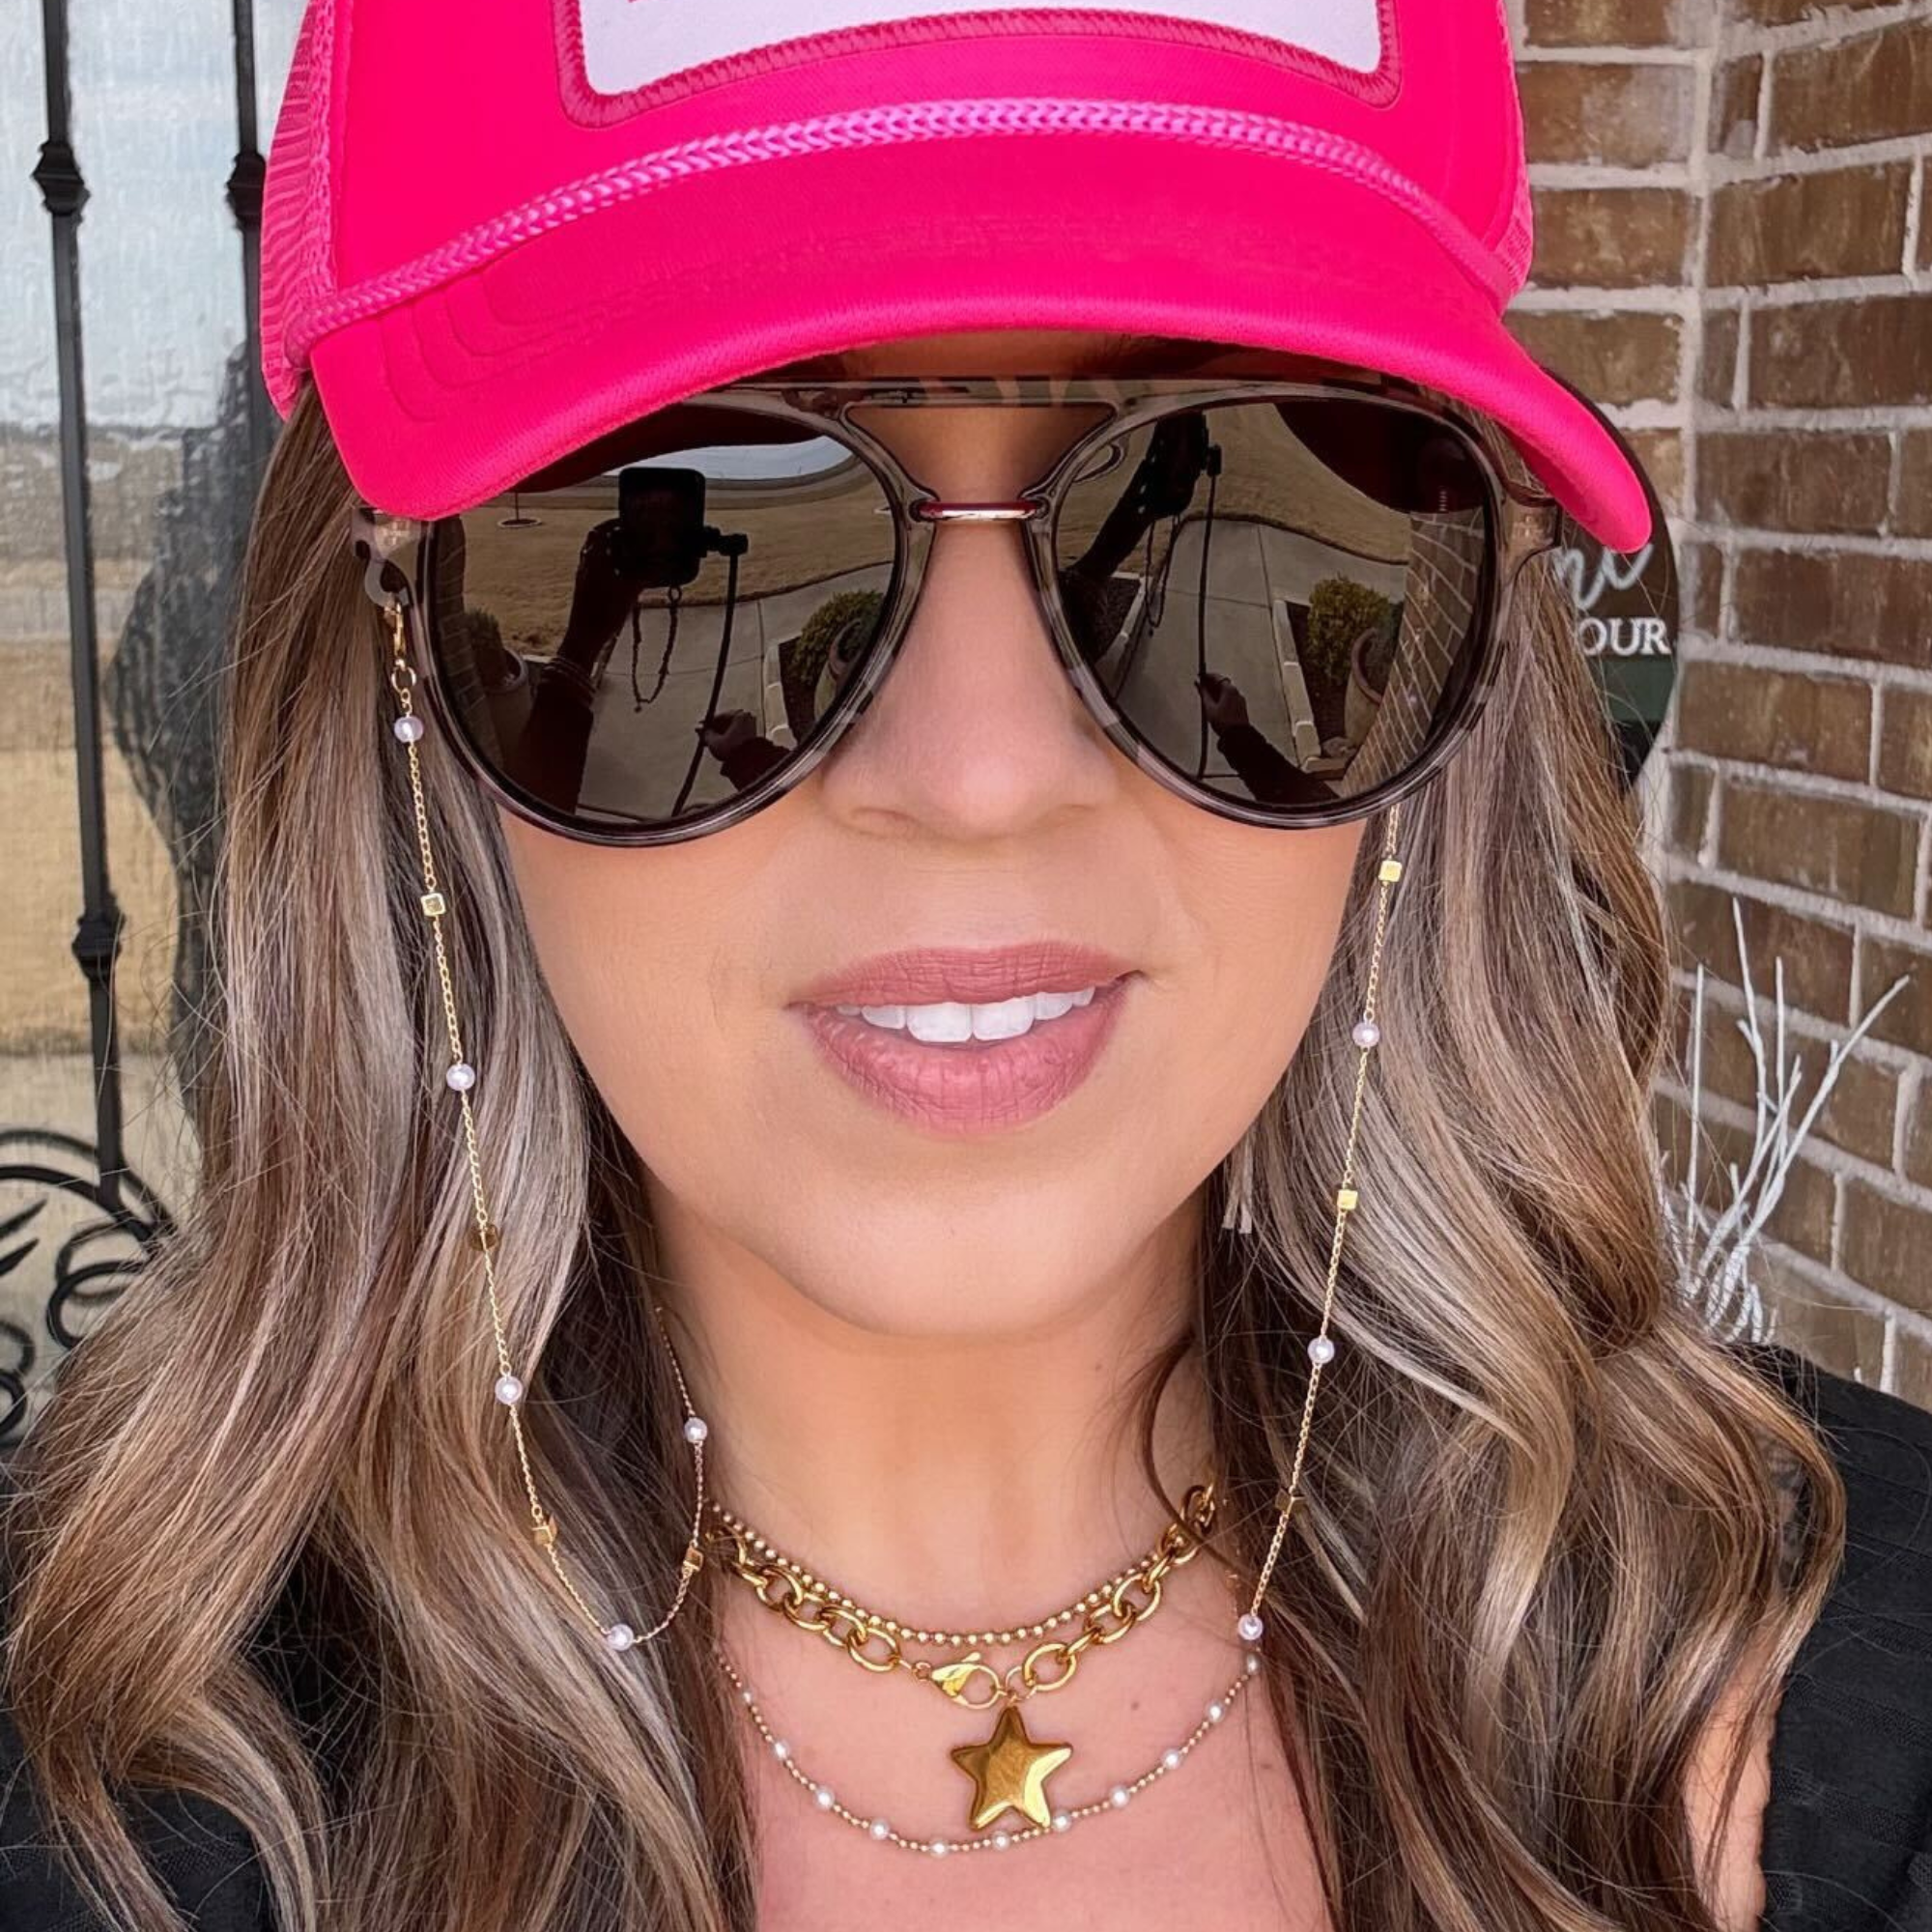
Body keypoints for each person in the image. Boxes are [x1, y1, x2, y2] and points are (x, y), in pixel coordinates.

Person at [4, 5, 1929, 1931]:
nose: (984, 773)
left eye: (1238, 492)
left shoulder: (1841, 1678)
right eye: (690, 529)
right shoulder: (111, 1795)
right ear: (402, 682)